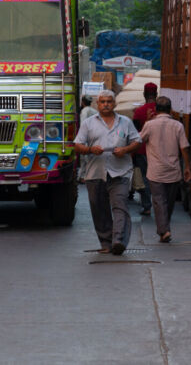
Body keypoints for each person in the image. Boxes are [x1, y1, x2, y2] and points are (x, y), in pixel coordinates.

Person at [73, 90, 142, 256]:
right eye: (102, 102)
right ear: (98, 104)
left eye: (109, 101)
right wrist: (90, 149)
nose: (105, 104)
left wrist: (125, 149)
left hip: (120, 172)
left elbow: (137, 141)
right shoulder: (88, 123)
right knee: (99, 208)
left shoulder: (125, 122)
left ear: (114, 104)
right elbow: (77, 145)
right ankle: (106, 242)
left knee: (120, 206)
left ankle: (118, 240)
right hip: (95, 173)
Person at [139, 97, 191, 243]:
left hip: (155, 171)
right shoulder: (178, 126)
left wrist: (146, 122)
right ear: (170, 109)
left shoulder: (149, 125)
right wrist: (187, 166)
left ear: (155, 109)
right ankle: (164, 229)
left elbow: (138, 140)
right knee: (168, 202)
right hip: (173, 171)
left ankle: (164, 230)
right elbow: (184, 148)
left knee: (159, 201)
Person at [130, 82, 158, 214]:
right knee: (159, 179)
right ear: (156, 94)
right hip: (160, 151)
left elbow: (135, 133)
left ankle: (147, 206)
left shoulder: (139, 112)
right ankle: (159, 206)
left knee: (145, 178)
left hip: (142, 151)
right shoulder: (163, 110)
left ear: (144, 94)